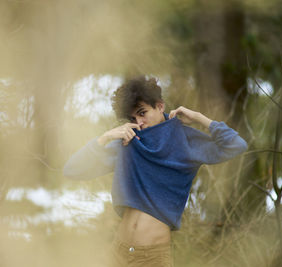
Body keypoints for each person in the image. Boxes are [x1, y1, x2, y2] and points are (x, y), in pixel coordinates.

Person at [63, 76, 247, 267]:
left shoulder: (185, 139)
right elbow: (72, 170)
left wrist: (198, 118)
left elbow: (236, 145)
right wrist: (106, 137)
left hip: (152, 258)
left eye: (142, 113)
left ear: (160, 106)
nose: (139, 122)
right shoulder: (129, 141)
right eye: (133, 118)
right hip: (118, 252)